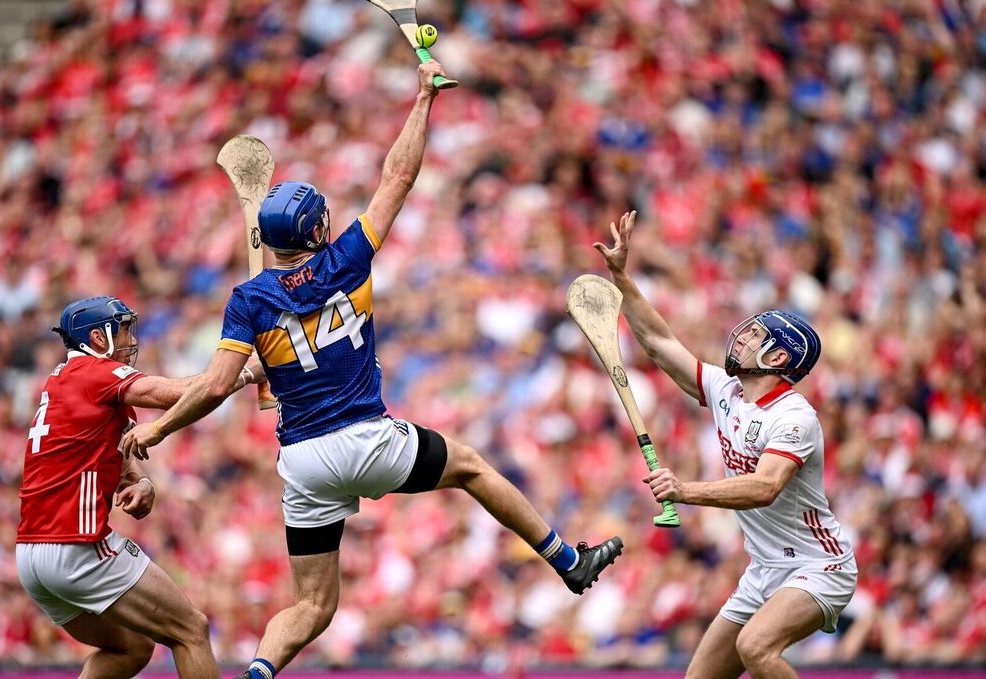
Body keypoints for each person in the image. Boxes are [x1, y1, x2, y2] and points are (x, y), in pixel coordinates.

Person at [121, 62, 624, 679]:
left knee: (311, 605)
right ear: (316, 229)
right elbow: (399, 176)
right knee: (471, 467)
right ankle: (568, 560)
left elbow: (217, 385)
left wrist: (161, 428)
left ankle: (257, 672)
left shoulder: (248, 300)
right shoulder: (348, 259)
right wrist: (423, 98)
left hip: (303, 461)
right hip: (366, 439)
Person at [594, 211, 857, 679]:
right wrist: (621, 278)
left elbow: (764, 487)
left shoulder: (794, 417)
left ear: (778, 357)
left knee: (756, 647)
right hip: (764, 570)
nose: (741, 337)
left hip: (819, 566)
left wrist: (685, 491)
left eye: (755, 336)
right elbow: (656, 341)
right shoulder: (726, 390)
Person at [15, 296, 266, 679]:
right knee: (191, 630)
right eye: (123, 330)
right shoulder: (94, 372)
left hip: (31, 558)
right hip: (75, 545)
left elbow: (112, 455)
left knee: (131, 648)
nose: (131, 340)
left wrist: (141, 482)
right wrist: (248, 370)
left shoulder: (64, 382)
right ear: (97, 338)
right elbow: (177, 393)